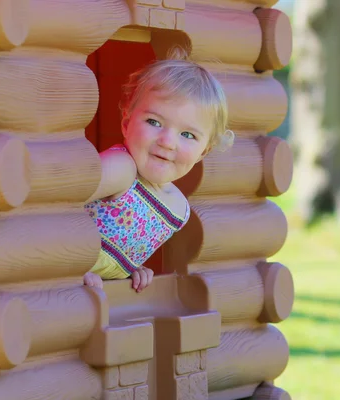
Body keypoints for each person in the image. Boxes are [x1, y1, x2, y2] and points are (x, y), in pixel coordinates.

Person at [83, 49, 234, 293]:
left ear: (203, 152)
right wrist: (72, 267)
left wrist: (128, 269)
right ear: (126, 122)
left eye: (187, 135)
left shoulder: (178, 211)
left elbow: (112, 251)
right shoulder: (121, 169)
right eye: (154, 122)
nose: (167, 141)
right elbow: (60, 208)